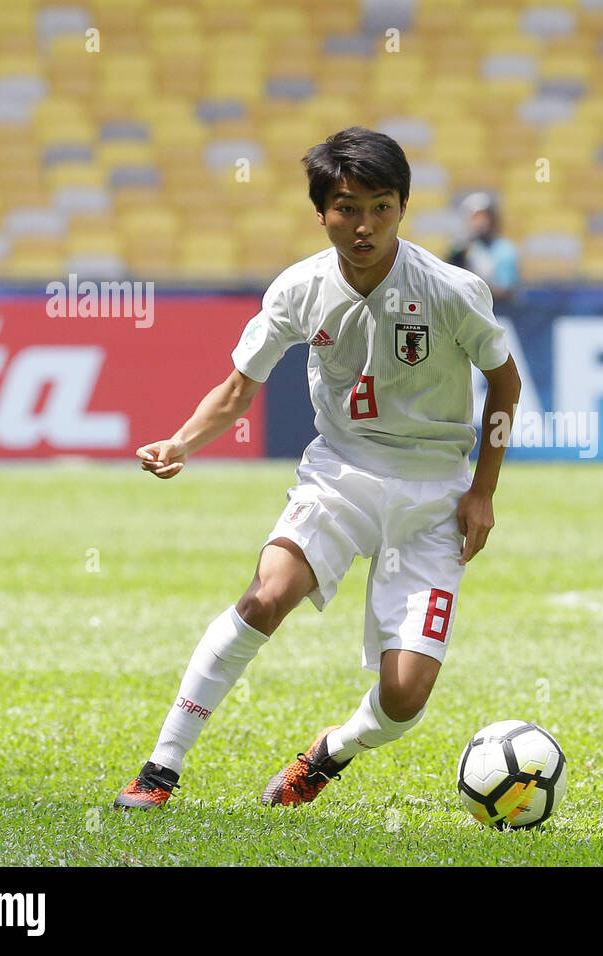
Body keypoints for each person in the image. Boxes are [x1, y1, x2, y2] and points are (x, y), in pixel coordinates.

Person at [113, 126, 522, 810]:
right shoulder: (299, 288)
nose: (364, 226)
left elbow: (504, 385)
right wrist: (183, 441)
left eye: (381, 208)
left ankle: (332, 751)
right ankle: (161, 769)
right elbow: (239, 387)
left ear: (402, 207)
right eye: (347, 207)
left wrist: (482, 493)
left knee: (404, 697)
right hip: (340, 473)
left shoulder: (451, 291)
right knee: (265, 595)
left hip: (434, 494)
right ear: (321, 212)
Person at [447, 192, 519, 305]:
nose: (480, 223)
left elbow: (506, 291)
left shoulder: (505, 248)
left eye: (484, 217)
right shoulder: (461, 248)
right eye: (475, 218)